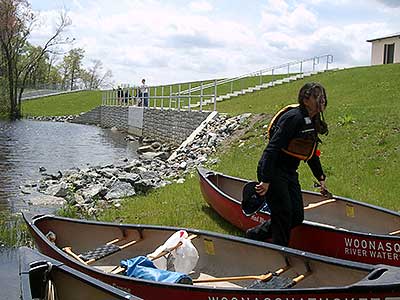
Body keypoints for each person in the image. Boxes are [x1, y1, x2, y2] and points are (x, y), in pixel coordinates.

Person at [246, 82, 329, 247]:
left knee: (297, 217)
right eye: (317, 97)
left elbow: (311, 153)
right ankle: (280, 252)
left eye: (323, 97)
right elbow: (272, 149)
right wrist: (266, 180)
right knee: (283, 214)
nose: (323, 100)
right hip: (273, 170)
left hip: (290, 172)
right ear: (306, 100)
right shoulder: (294, 118)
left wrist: (320, 176)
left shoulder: (313, 120)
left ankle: (254, 235)